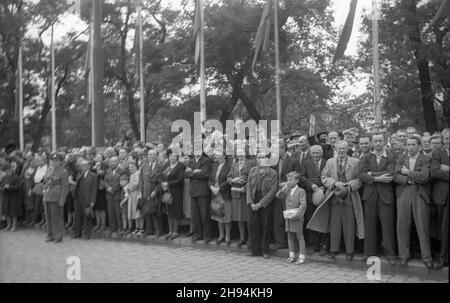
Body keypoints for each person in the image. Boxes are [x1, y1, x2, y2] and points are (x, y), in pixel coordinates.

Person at [394, 136, 433, 269]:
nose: (410, 147)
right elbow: (396, 176)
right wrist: (408, 179)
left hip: (419, 193)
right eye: (408, 145)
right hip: (404, 193)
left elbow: (424, 177)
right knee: (402, 226)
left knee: (422, 226)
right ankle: (403, 256)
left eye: (413, 144)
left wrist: (408, 172)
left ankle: (427, 257)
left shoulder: (426, 159)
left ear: (419, 146)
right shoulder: (400, 158)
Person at [321, 140, 364, 260]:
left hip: (350, 197)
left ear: (347, 149)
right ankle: (334, 249)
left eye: (343, 148)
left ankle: (350, 251)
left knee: (349, 224)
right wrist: (334, 183)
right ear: (335, 149)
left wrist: (349, 185)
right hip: (334, 197)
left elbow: (360, 179)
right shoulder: (330, 162)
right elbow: (324, 177)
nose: (341, 151)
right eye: (339, 149)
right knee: (334, 225)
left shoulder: (355, 162)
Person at [358, 133, 396, 263]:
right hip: (370, 195)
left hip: (386, 195)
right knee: (370, 225)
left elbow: (390, 174)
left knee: (387, 225)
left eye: (380, 141)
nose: (378, 143)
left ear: (385, 141)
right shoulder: (366, 157)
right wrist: (378, 178)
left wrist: (371, 174)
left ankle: (390, 253)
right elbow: (361, 175)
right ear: (372, 143)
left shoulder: (391, 156)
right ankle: (369, 253)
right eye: (376, 141)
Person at [246, 153, 278, 259]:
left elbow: (273, 191)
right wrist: (251, 203)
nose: (261, 159)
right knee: (252, 225)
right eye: (259, 157)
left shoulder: (273, 173)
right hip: (254, 200)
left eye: (263, 157)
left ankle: (265, 250)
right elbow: (249, 187)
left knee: (265, 226)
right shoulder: (253, 170)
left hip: (265, 202)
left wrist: (260, 204)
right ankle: (254, 250)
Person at [299, 145, 328, 256]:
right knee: (311, 220)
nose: (315, 155)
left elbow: (330, 176)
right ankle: (314, 245)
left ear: (321, 153)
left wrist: (324, 187)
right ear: (310, 154)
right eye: (313, 153)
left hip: (324, 196)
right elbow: (301, 177)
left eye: (317, 153)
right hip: (310, 196)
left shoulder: (327, 162)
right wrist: (311, 185)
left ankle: (324, 246)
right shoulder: (306, 163)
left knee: (323, 221)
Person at [276, 171, 307, 265]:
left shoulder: (301, 191)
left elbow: (303, 205)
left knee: (299, 236)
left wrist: (297, 214)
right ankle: (291, 255)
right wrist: (284, 188)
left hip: (297, 217)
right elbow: (278, 196)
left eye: (291, 180)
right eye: (288, 180)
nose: (289, 181)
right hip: (288, 216)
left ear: (297, 180)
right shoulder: (287, 190)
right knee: (289, 236)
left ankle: (302, 257)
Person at [272, 140, 298, 250]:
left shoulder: (293, 161)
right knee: (278, 219)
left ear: (283, 149)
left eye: (278, 149)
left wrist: (288, 183)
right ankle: (280, 243)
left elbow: (298, 176)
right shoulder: (273, 162)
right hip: (277, 194)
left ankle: (294, 245)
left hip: (289, 193)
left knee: (291, 218)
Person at [430, 128, 449, 269]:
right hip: (443, 197)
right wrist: (443, 170)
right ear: (443, 140)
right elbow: (435, 172)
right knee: (444, 228)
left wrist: (446, 169)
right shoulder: (437, 153)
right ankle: (443, 258)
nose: (449, 141)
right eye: (447, 138)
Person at [228, 147, 254, 247]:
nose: (240, 154)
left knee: (248, 217)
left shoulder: (251, 163)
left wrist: (244, 187)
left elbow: (253, 177)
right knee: (239, 218)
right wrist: (233, 180)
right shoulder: (234, 164)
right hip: (236, 194)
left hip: (246, 193)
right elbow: (228, 178)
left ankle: (250, 239)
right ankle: (242, 238)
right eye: (238, 153)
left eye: (241, 152)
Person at [185, 149, 212, 244]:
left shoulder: (206, 160)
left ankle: (207, 235)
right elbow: (186, 174)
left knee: (205, 215)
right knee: (195, 215)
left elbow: (205, 174)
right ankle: (198, 234)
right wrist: (195, 172)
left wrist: (192, 173)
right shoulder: (191, 161)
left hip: (203, 191)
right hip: (193, 191)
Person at [43, 152, 69, 243]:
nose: (54, 162)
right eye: (53, 161)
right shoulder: (49, 169)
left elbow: (65, 187)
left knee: (57, 218)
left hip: (56, 198)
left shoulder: (63, 172)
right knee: (49, 217)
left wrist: (62, 200)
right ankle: (50, 235)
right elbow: (46, 183)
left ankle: (58, 236)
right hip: (48, 196)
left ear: (61, 162)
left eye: (56, 161)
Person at [159, 149, 185, 240]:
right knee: (169, 212)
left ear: (177, 157)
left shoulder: (180, 166)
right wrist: (163, 183)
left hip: (176, 191)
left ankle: (175, 231)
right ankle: (170, 231)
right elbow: (160, 176)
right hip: (166, 191)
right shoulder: (166, 165)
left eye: (174, 156)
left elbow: (180, 179)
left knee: (175, 211)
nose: (172, 158)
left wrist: (168, 184)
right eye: (170, 156)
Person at [209, 151, 232, 245]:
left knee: (226, 215)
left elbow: (228, 180)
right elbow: (210, 179)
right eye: (215, 154)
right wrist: (212, 187)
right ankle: (221, 235)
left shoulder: (229, 165)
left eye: (218, 154)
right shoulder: (214, 165)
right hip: (215, 193)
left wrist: (219, 188)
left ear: (224, 155)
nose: (216, 156)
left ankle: (227, 236)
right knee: (217, 214)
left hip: (224, 193)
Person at [140, 149, 162, 238]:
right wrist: (140, 192)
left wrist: (155, 191)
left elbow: (161, 181)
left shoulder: (160, 166)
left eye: (153, 155)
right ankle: (149, 230)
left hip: (155, 192)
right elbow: (141, 180)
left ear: (156, 156)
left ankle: (158, 231)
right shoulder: (144, 166)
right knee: (147, 212)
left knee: (155, 213)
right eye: (149, 154)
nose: (151, 156)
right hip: (145, 192)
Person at [73, 159, 98, 239]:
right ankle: (77, 233)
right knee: (77, 216)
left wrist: (92, 201)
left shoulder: (93, 176)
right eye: (82, 165)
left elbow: (94, 190)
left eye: (85, 165)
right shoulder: (79, 175)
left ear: (88, 166)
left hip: (87, 199)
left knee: (87, 216)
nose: (83, 167)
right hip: (78, 198)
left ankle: (87, 234)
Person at [104, 156, 124, 238]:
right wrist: (107, 187)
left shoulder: (121, 171)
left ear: (118, 162)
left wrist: (112, 188)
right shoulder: (108, 171)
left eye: (115, 161)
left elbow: (121, 182)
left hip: (117, 195)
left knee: (117, 213)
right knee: (110, 213)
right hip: (109, 195)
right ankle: (112, 229)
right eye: (111, 161)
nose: (113, 163)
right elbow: (104, 180)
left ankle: (119, 229)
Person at [1, 163, 23, 231]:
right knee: (6, 211)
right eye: (5, 171)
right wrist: (2, 188)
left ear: (10, 169)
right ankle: (8, 225)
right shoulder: (4, 177)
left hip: (14, 196)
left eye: (7, 170)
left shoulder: (16, 177)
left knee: (13, 212)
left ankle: (14, 226)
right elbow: (1, 185)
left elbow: (18, 187)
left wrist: (10, 187)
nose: (6, 172)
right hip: (6, 196)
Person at [127, 161, 144, 237]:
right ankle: (136, 227)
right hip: (132, 195)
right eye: (130, 167)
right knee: (134, 211)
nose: (131, 168)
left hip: (137, 193)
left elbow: (137, 183)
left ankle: (141, 227)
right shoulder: (131, 174)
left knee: (139, 211)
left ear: (135, 166)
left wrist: (130, 188)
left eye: (132, 167)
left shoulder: (138, 173)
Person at [30, 154, 47, 227]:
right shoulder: (37, 168)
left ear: (44, 161)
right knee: (38, 205)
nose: (39, 162)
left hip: (43, 186)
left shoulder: (46, 168)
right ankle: (42, 220)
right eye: (38, 161)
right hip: (36, 186)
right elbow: (31, 177)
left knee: (44, 205)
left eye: (40, 160)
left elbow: (43, 178)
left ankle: (46, 221)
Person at [93, 154, 108, 232]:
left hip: (102, 189)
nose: (97, 159)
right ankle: (98, 223)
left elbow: (105, 175)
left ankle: (103, 224)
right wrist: (95, 169)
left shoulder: (105, 165)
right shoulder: (93, 165)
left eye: (99, 157)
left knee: (102, 207)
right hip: (94, 189)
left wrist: (99, 171)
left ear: (102, 159)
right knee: (96, 207)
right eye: (96, 157)